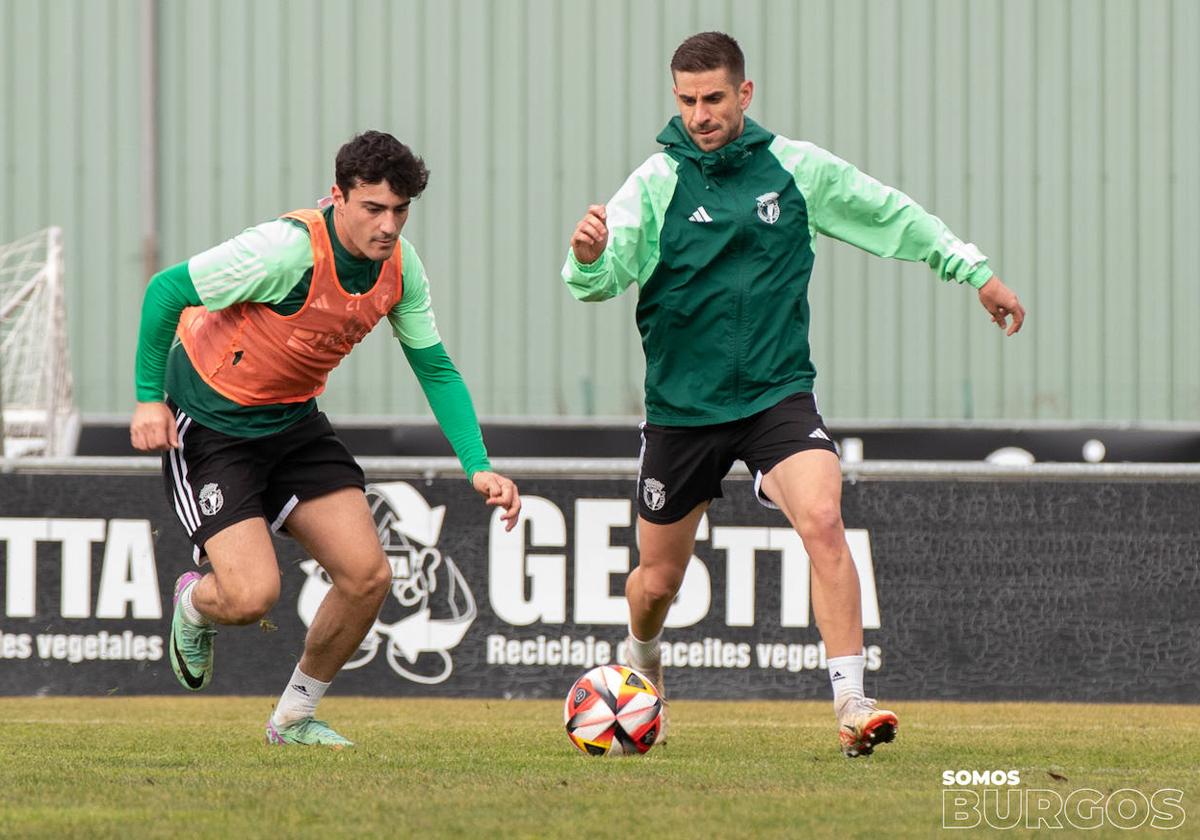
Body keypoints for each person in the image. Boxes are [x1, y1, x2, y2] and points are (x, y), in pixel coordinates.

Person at [563, 32, 1024, 757]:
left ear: (745, 94)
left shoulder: (797, 170)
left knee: (824, 517)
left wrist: (973, 271)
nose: (700, 114)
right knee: (656, 582)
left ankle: (852, 704)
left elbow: (889, 213)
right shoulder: (653, 182)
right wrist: (587, 256)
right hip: (683, 410)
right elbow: (602, 275)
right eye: (687, 100)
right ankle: (643, 670)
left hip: (777, 395)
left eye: (714, 98)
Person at [131, 130, 521, 748]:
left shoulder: (400, 266)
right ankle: (195, 604)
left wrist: (478, 465)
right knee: (252, 596)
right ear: (338, 197)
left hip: (291, 424)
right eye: (373, 208)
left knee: (369, 576)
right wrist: (149, 399)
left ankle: (292, 719)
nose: (388, 226)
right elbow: (165, 291)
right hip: (210, 423)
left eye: (400, 211)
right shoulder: (284, 251)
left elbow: (435, 366)